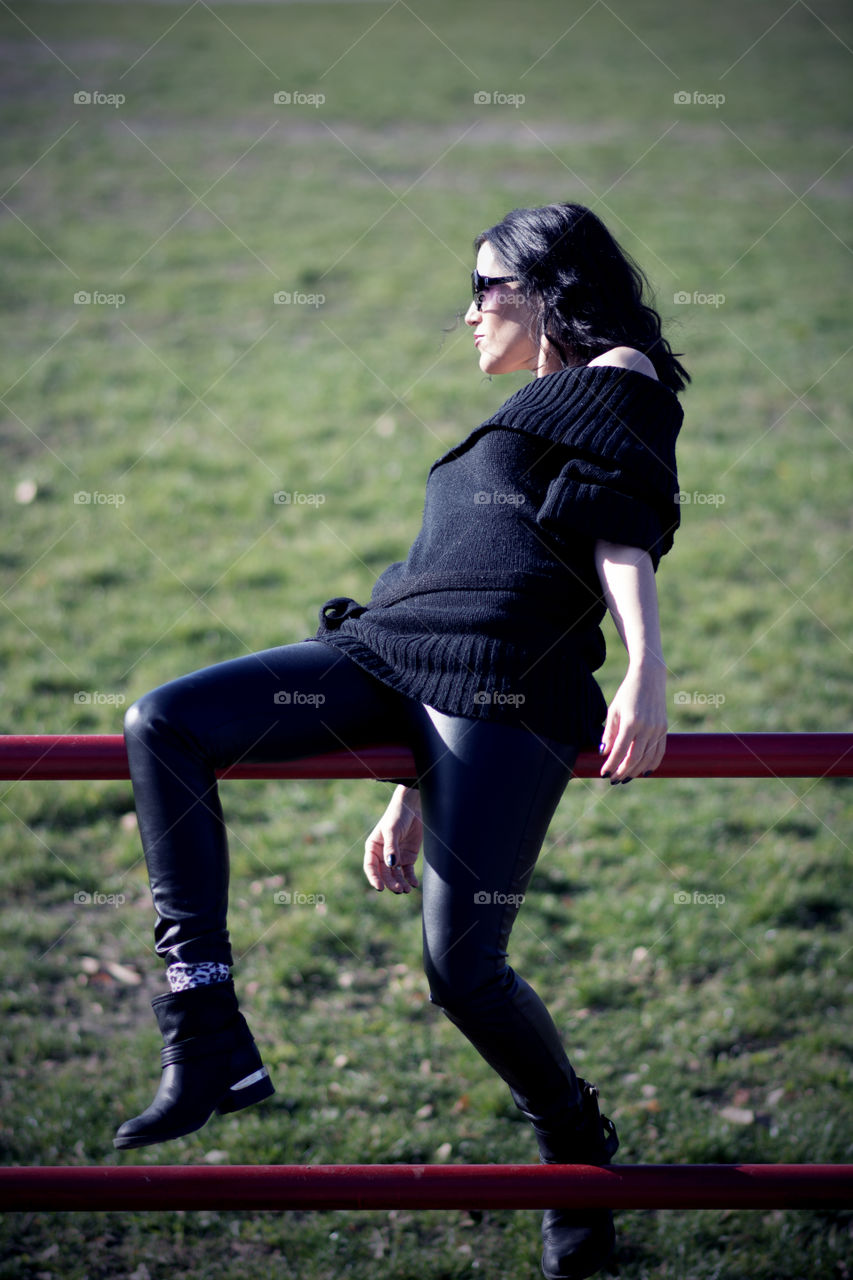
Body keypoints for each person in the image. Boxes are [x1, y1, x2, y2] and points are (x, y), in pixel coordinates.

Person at [115, 202, 687, 1280]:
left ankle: (573, 1145)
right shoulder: (532, 407)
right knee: (166, 719)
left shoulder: (620, 372)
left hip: (508, 683)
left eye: (483, 287)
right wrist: (407, 781)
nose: (467, 313)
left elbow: (621, 526)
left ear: (545, 285)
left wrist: (647, 664)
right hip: (392, 655)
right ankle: (205, 1028)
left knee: (462, 972)